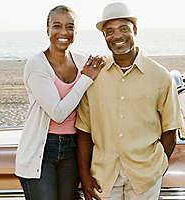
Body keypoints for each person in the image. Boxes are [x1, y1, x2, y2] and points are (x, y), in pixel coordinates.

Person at [76, 2, 183, 200]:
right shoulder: (95, 76)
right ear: (104, 36)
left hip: (145, 178)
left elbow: (170, 131)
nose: (117, 36)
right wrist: (84, 175)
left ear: (134, 30)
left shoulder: (160, 76)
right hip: (103, 177)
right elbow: (84, 132)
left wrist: (156, 168)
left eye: (123, 29)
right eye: (110, 31)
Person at [15, 5, 105, 200]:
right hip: (42, 149)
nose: (63, 32)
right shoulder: (37, 64)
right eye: (57, 26)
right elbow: (58, 112)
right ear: (47, 30)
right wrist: (86, 79)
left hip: (73, 149)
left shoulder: (81, 61)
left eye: (70, 27)